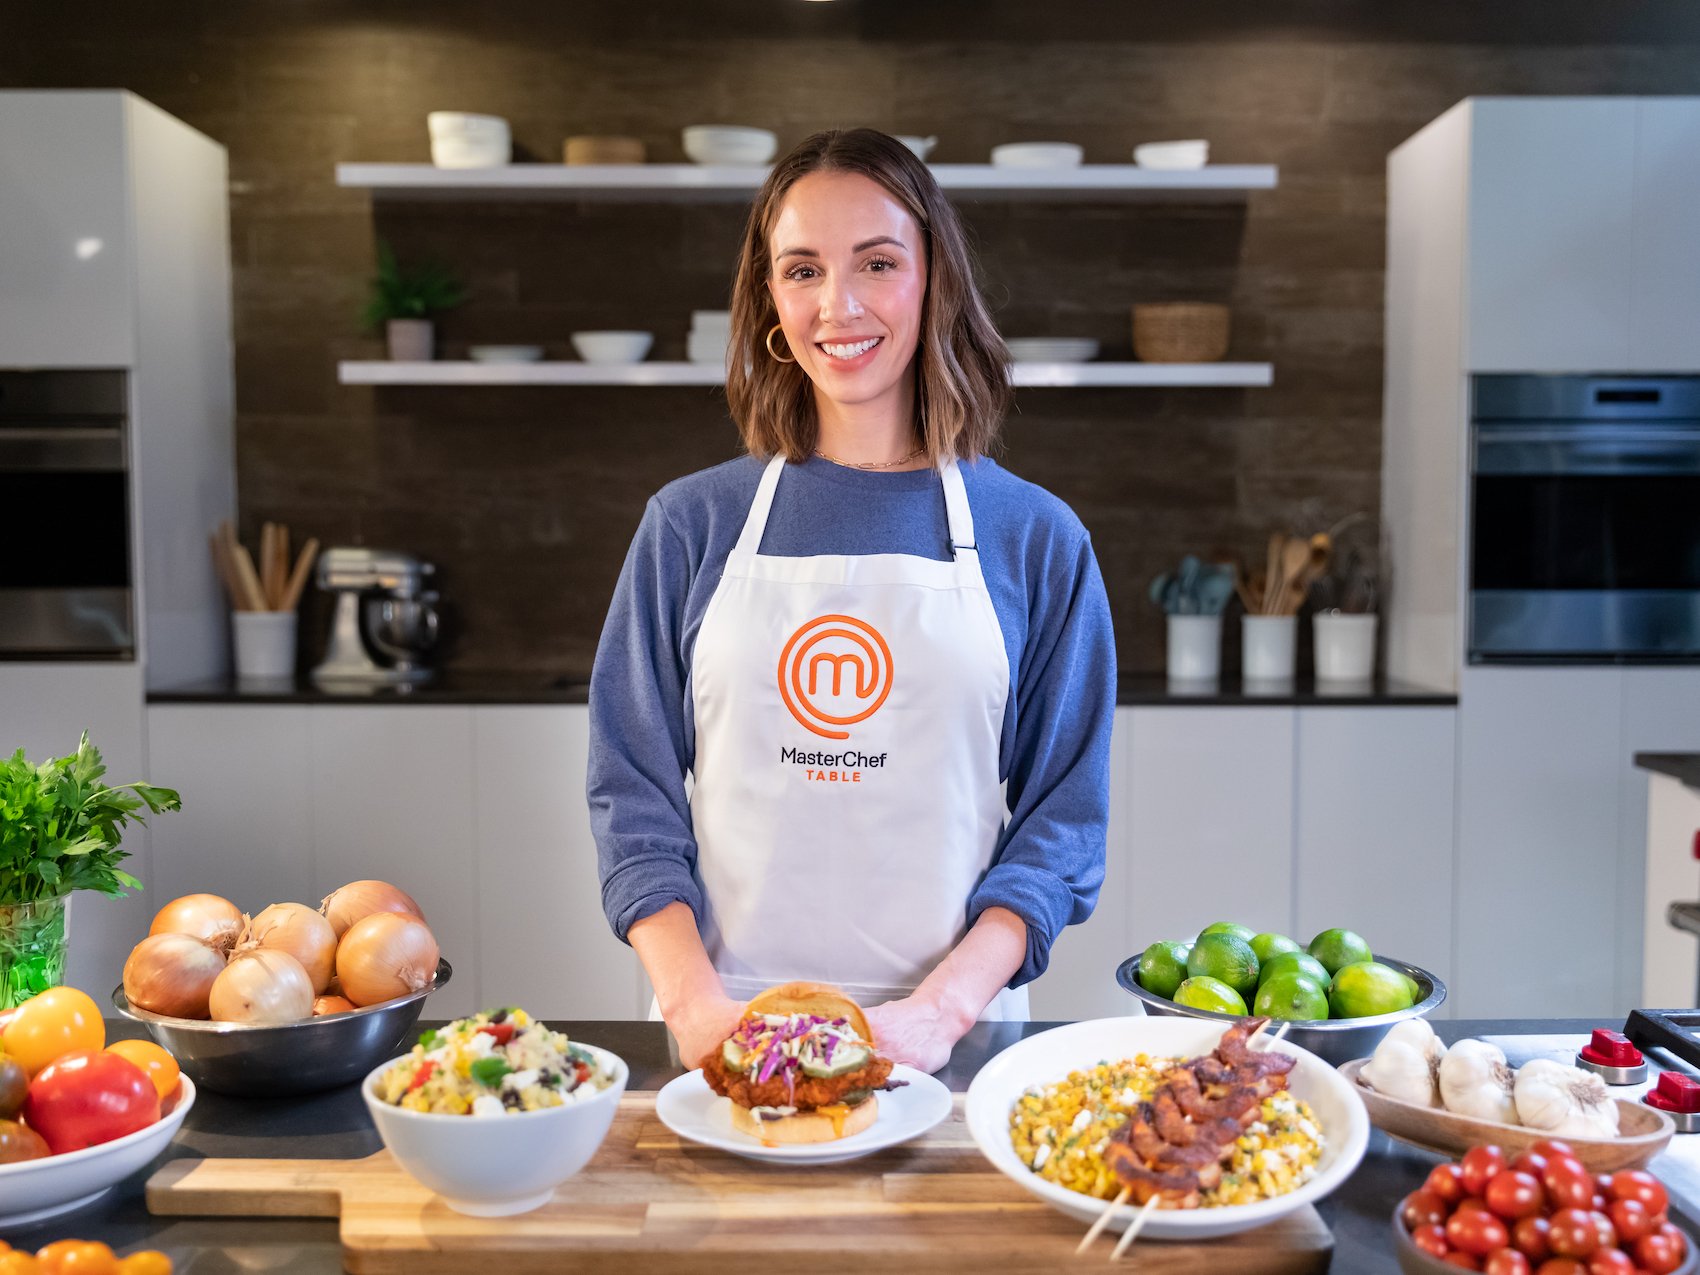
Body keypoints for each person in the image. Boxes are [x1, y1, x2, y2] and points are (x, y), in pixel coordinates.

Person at [588, 127, 1115, 1073]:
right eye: (802, 270)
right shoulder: (689, 525)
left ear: (933, 279)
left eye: (877, 262)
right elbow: (631, 790)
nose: (840, 305)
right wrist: (696, 1005)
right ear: (769, 303)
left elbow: (1062, 822)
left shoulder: (1035, 537)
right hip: (727, 1040)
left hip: (953, 1048)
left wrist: (939, 1015)